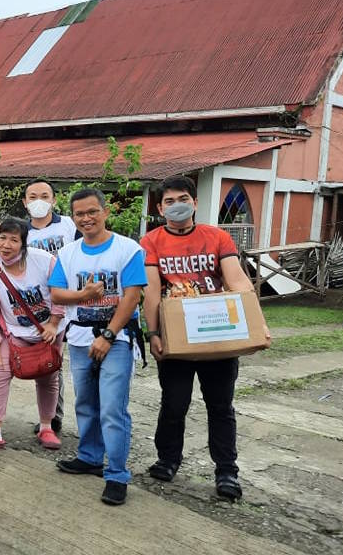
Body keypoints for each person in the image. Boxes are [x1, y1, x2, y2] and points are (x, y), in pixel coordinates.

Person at [141, 175, 271, 500]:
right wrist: (153, 333)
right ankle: (168, 459)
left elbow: (238, 281)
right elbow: (152, 292)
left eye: (183, 199)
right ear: (160, 208)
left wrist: (257, 323)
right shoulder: (152, 241)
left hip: (218, 336)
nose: (177, 206)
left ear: (195, 203)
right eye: (169, 201)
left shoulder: (217, 237)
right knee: (174, 403)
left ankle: (227, 471)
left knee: (220, 407)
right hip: (177, 338)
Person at [48, 188, 146, 506]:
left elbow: (132, 296)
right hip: (79, 338)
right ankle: (90, 456)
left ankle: (116, 474)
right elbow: (57, 294)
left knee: (113, 408)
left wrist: (108, 335)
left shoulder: (127, 249)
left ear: (105, 212)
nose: (86, 218)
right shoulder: (68, 253)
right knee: (86, 403)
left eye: (92, 212)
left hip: (115, 339)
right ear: (73, 218)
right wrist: (85, 296)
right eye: (79, 214)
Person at [0, 217, 65, 450]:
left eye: (14, 239)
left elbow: (59, 292)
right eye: (2, 238)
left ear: (24, 243)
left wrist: (53, 324)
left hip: (49, 330)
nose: (6, 244)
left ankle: (46, 428)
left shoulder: (44, 260)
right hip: (12, 333)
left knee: (48, 378)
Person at [23, 178, 78, 436]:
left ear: (54, 200)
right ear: (24, 202)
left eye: (44, 196)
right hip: (41, 308)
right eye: (32, 197)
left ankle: (90, 421)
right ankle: (52, 417)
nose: (39, 202)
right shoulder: (23, 232)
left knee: (77, 362)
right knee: (50, 362)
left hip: (74, 301)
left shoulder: (68, 224)